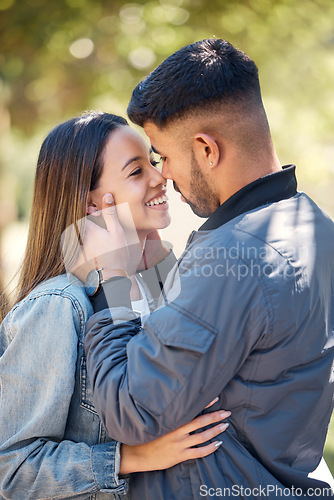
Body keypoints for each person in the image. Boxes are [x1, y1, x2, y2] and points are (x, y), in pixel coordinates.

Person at [83, 39, 334, 499]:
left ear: (206, 149)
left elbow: (132, 409)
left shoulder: (238, 255)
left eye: (162, 156)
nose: (165, 176)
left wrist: (112, 280)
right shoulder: (316, 225)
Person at [0, 111, 231, 500]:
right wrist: (131, 457)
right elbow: (14, 469)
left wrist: (160, 268)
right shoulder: (59, 305)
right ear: (93, 203)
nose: (161, 177)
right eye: (136, 172)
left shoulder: (152, 283)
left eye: (154, 162)